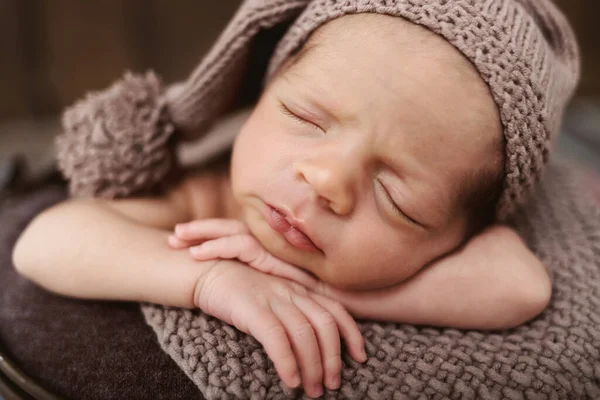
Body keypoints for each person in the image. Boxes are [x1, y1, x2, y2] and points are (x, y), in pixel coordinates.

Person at [12, 1, 579, 398]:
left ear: (458, 236)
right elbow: (47, 241)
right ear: (262, 92)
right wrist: (210, 279)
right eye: (305, 117)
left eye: (396, 197)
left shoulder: (477, 248)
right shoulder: (206, 199)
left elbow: (520, 286)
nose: (327, 180)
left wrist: (314, 286)